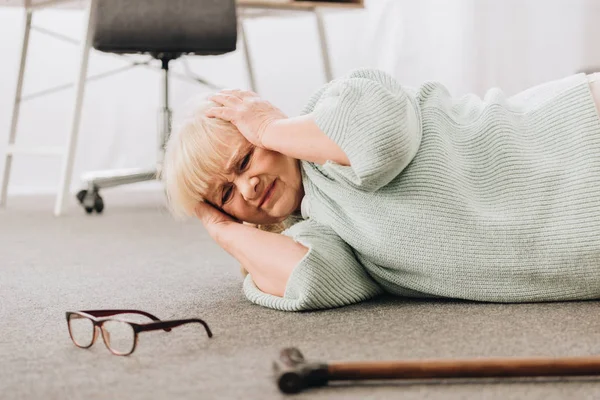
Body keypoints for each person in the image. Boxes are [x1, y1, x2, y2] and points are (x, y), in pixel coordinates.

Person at [162, 68, 600, 312]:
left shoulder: (338, 106)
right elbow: (311, 279)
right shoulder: (319, 230)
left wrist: (270, 127)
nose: (248, 184)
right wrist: (221, 228)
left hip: (575, 133)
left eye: (243, 161)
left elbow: (378, 138)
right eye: (226, 194)